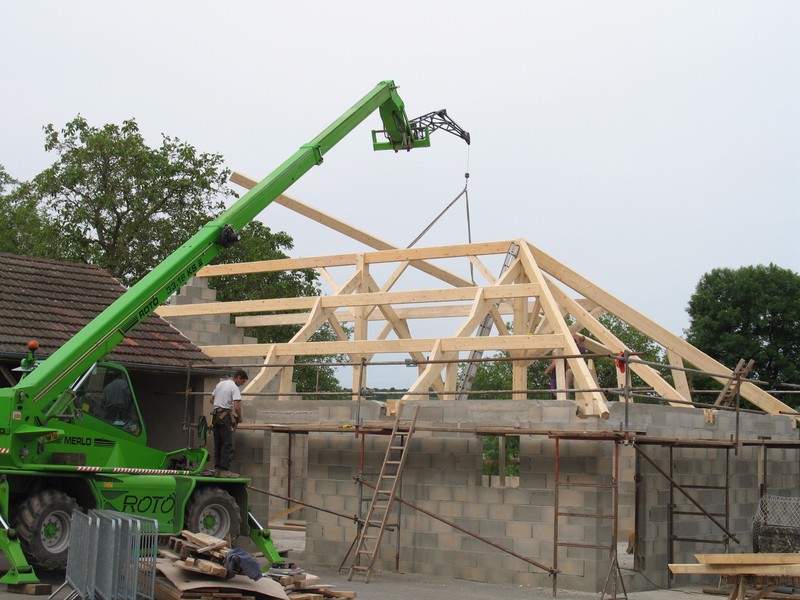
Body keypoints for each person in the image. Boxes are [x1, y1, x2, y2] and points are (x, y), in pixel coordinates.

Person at [208, 370, 248, 478]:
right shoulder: (234, 387)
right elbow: (236, 406)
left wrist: (219, 405)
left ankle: (217, 469)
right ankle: (224, 470)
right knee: (227, 444)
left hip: (215, 416)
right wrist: (239, 417)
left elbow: (211, 399)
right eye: (243, 381)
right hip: (225, 418)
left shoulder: (220, 384)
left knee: (218, 444)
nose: (242, 384)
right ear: (238, 377)